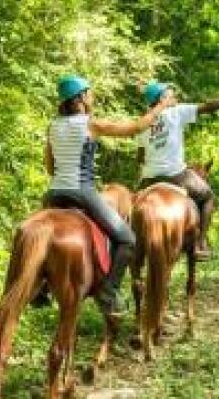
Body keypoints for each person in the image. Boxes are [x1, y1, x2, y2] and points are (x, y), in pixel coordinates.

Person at [43, 75, 171, 316]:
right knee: (127, 239)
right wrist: (161, 106)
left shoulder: (53, 126)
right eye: (89, 94)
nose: (91, 98)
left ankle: (41, 288)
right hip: (81, 192)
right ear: (80, 98)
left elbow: (50, 167)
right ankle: (108, 291)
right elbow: (135, 128)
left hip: (53, 194)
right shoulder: (91, 124)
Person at [137, 81, 219, 260]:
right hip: (176, 176)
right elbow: (209, 106)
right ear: (162, 98)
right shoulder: (177, 112)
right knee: (208, 197)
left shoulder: (143, 121)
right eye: (171, 94)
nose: (175, 97)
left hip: (149, 180)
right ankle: (200, 244)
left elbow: (140, 158)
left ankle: (134, 249)